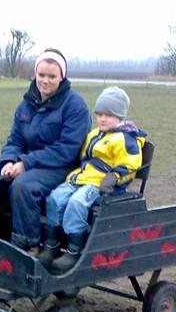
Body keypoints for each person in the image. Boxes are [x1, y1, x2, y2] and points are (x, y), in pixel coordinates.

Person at [0, 48, 91, 253]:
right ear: (35, 74)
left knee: (22, 186)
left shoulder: (75, 106)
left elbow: (66, 150)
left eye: (52, 76)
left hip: (59, 167)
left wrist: (26, 163)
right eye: (41, 75)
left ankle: (25, 248)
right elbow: (15, 139)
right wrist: (8, 161)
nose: (45, 81)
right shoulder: (27, 103)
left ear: (62, 77)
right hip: (24, 162)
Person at [38, 86, 147, 273]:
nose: (102, 119)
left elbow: (131, 164)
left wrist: (114, 177)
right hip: (81, 178)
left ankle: (73, 251)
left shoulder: (126, 139)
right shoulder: (95, 134)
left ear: (120, 117)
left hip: (103, 185)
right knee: (54, 198)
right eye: (99, 114)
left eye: (109, 115)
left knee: (77, 203)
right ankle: (52, 244)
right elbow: (83, 157)